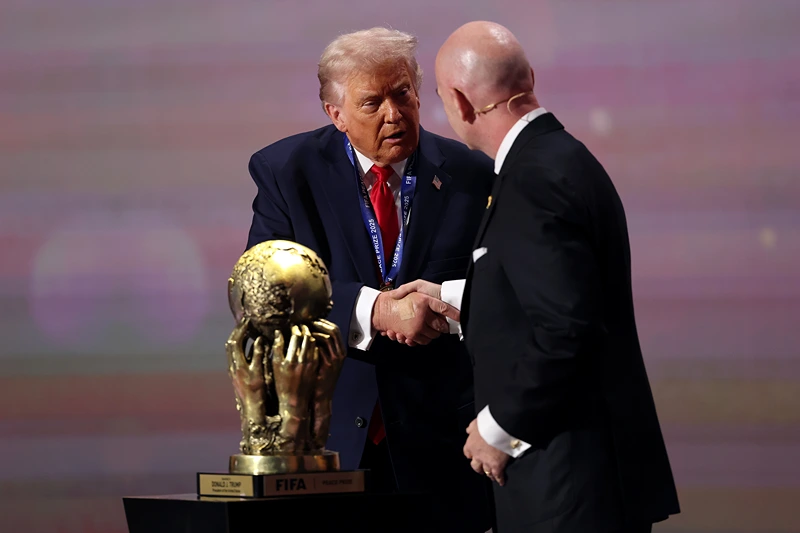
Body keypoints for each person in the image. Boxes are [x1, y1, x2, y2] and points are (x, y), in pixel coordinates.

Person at [390, 21, 681, 533]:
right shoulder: (558, 156)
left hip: (567, 487)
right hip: (582, 483)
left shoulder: (533, 178)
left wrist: (498, 428)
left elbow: (567, 329)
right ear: (529, 78)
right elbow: (554, 295)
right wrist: (460, 299)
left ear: (458, 102)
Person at [245, 27, 495, 532]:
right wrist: (374, 310)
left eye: (402, 93)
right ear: (335, 114)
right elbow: (265, 288)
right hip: (329, 441)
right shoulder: (286, 171)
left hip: (442, 444)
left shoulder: (472, 174)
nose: (394, 114)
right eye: (371, 102)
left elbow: (498, 288)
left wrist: (446, 314)